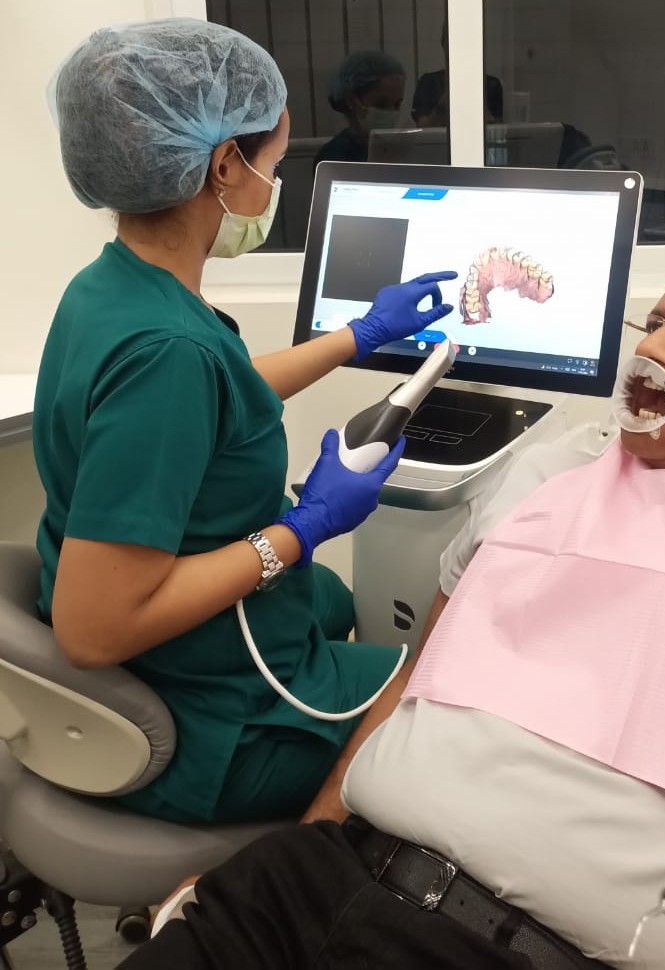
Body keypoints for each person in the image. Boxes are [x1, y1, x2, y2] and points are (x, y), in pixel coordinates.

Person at [117, 239, 665, 970]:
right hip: (317, 884)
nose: (653, 347)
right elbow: (417, 683)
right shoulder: (546, 483)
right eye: (655, 322)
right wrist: (308, 838)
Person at [35, 18, 457, 826]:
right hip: (199, 728)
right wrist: (299, 530)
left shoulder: (112, 289)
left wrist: (361, 334)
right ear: (225, 165)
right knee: (426, 694)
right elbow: (94, 632)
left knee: (330, 599)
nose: (273, 184)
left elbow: (215, 393)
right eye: (273, 164)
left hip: (160, 658)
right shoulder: (167, 352)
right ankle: (307, 867)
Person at [315, 50, 406, 164]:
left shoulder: (400, 149)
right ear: (351, 100)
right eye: (381, 104)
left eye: (397, 104)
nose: (391, 112)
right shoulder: (333, 156)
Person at [411, 18, 504, 128]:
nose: (460, 49)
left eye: (466, 43)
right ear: (444, 44)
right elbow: (423, 128)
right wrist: (442, 106)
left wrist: (477, 102)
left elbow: (496, 130)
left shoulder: (491, 85)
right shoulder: (428, 82)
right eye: (454, 42)